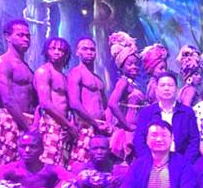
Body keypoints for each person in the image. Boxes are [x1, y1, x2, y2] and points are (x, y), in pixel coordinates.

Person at [134, 71, 200, 162]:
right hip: (152, 161)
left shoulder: (187, 113)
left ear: (176, 89)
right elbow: (139, 140)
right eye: (162, 85)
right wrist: (148, 160)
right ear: (156, 90)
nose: (166, 88)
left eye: (170, 85)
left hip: (180, 161)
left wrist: (185, 162)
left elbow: (194, 140)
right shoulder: (147, 113)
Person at [0, 19, 36, 164]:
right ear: (8, 37)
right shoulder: (3, 63)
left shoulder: (26, 66)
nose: (25, 39)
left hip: (28, 120)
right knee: (6, 166)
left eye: (28, 36)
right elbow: (7, 99)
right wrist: (28, 128)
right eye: (20, 35)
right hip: (10, 119)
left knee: (24, 169)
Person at [67, 37, 111, 166]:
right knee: (80, 163)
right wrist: (94, 123)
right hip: (85, 126)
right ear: (77, 52)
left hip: (100, 127)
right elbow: (74, 103)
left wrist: (108, 123)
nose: (89, 52)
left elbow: (105, 105)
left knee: (99, 167)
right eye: (84, 49)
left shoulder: (98, 78)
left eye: (92, 49)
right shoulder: (76, 73)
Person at [34, 37, 76, 167]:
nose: (57, 52)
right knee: (47, 162)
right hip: (50, 123)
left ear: (66, 54)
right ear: (46, 51)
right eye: (53, 48)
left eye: (61, 50)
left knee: (60, 164)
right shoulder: (44, 72)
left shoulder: (64, 77)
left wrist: (69, 123)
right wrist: (69, 125)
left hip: (63, 124)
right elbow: (45, 104)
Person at [107, 31, 146, 162]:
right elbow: (112, 103)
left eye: (136, 64)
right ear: (121, 66)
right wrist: (126, 125)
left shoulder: (132, 84)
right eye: (129, 64)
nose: (134, 67)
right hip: (127, 132)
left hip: (135, 128)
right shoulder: (123, 82)